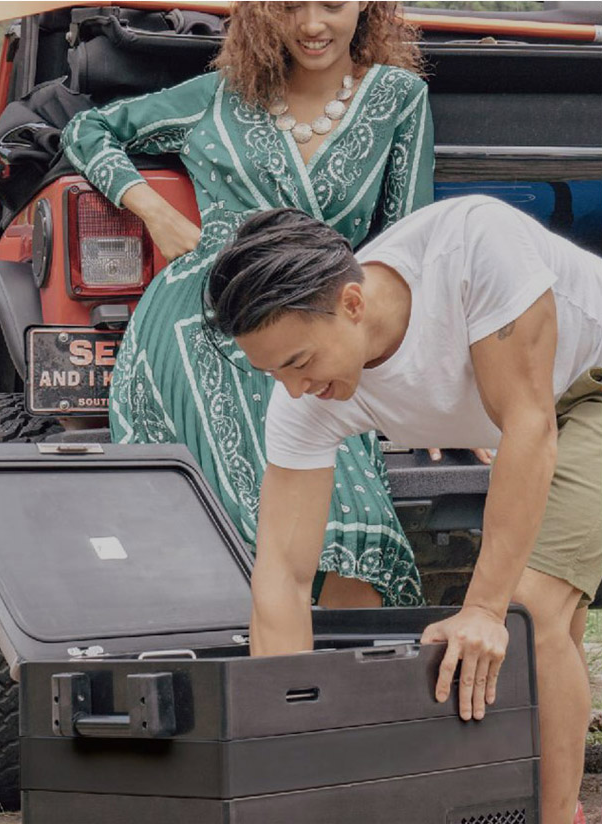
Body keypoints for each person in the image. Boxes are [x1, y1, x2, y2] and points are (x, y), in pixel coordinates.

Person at [205, 195, 602, 824]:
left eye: (300, 362)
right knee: (554, 628)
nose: (295, 389)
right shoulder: (303, 397)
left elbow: (529, 425)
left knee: (528, 613)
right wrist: (284, 748)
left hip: (587, 389)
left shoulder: (475, 247)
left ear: (353, 304)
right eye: (273, 373)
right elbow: (281, 576)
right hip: (532, 408)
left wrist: (483, 608)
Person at [61, 2, 434, 608]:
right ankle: (259, 659)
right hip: (211, 307)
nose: (313, 24)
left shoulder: (400, 98)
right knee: (266, 467)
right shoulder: (220, 95)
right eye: (290, 6)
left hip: (323, 312)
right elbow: (86, 130)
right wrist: (154, 212)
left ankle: (352, 680)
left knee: (344, 497)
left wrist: (428, 378)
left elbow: (407, 246)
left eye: (332, 3)